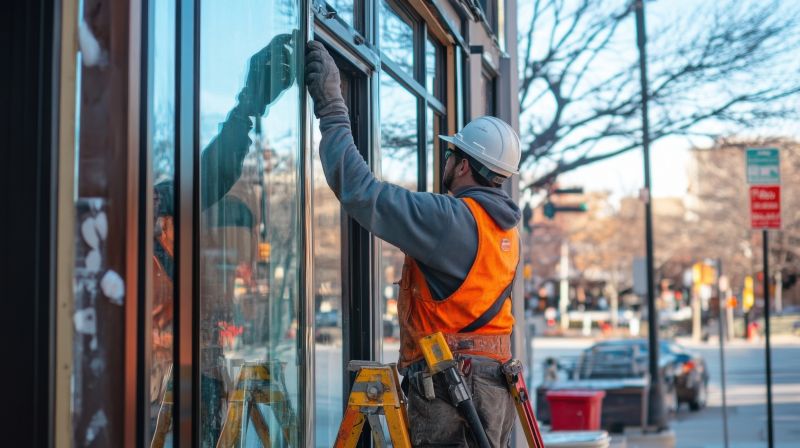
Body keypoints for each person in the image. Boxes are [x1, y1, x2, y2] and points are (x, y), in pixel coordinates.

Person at [305, 41, 522, 447]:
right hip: (490, 383)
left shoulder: (452, 220)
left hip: (454, 387)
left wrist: (332, 109)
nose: (445, 160)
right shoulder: (504, 230)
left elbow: (361, 192)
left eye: (449, 153)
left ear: (462, 165)